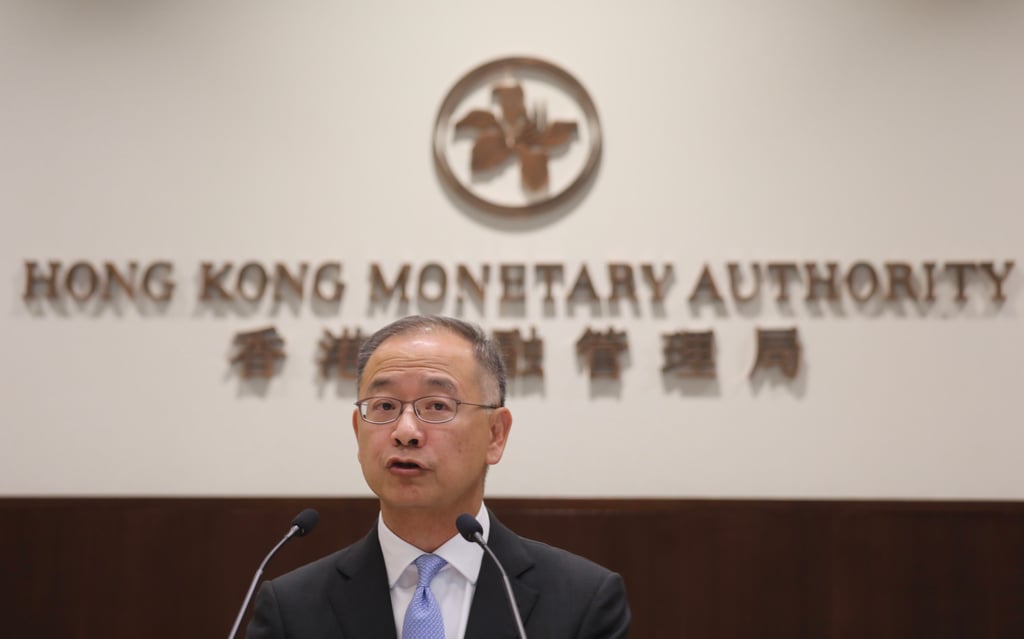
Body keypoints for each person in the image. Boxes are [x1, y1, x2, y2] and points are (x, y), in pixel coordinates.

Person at [247, 315, 631, 638]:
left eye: (436, 405)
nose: (406, 431)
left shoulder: (583, 601)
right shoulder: (291, 609)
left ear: (495, 435)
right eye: (384, 406)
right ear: (357, 432)